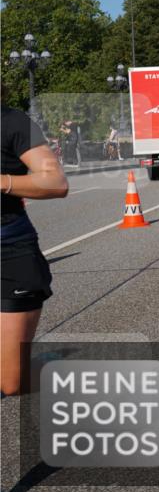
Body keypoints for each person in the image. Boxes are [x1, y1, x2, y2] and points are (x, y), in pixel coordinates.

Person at [1, 107, 68, 395]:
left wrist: (3, 181)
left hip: (9, 252)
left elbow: (56, 182)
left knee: (11, 383)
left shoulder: (11, 122)